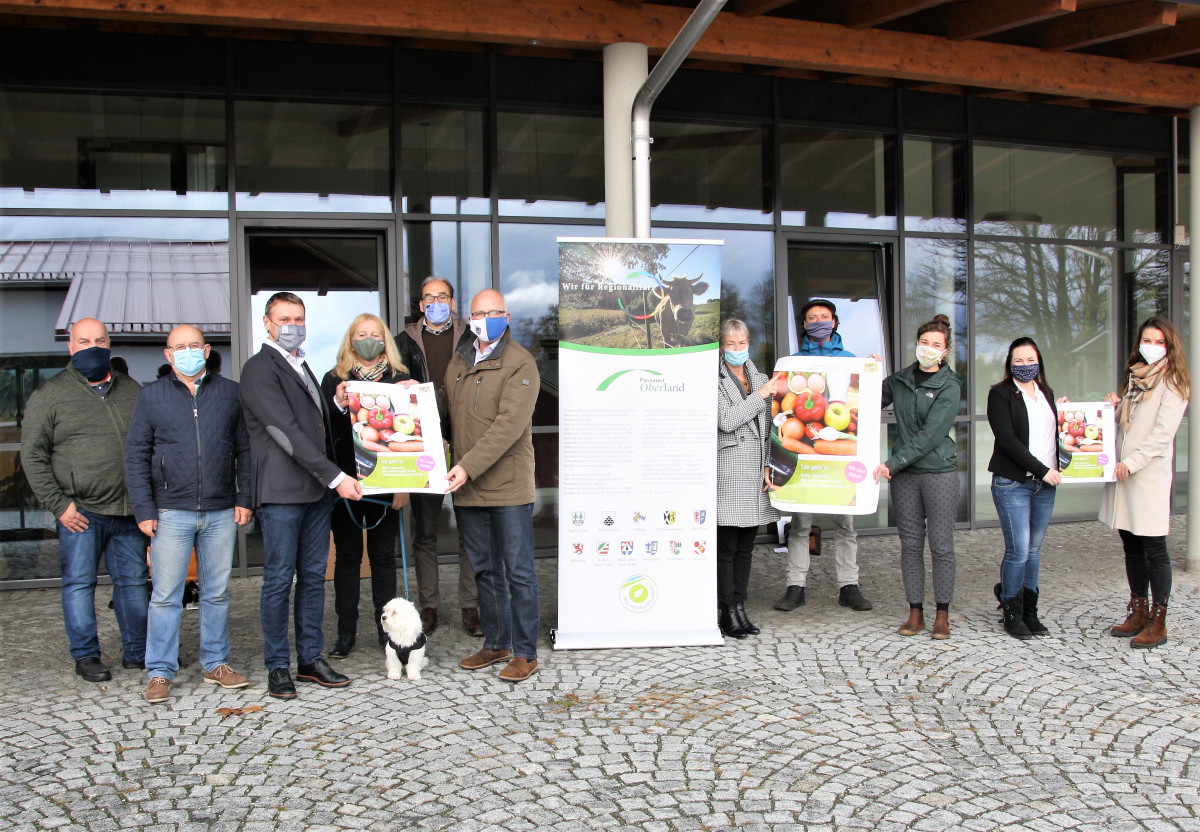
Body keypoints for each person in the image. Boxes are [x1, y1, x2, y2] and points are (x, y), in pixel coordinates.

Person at [240, 291, 363, 699]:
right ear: (267, 323)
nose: (293, 325)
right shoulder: (259, 368)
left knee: (312, 578)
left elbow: (312, 423)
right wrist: (336, 477)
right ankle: (278, 665)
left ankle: (310, 658)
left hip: (313, 494)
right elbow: (284, 431)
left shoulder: (301, 364)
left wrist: (335, 402)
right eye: (285, 318)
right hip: (281, 494)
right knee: (278, 580)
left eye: (299, 318)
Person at [124, 325, 253, 703]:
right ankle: (160, 671)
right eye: (179, 347)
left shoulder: (230, 393)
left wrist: (244, 497)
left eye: (194, 345)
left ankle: (216, 663)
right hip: (169, 512)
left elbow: (244, 451)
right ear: (167, 354)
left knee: (216, 593)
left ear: (207, 349)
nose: (187, 352)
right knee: (165, 596)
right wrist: (145, 509)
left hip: (219, 509)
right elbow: (135, 457)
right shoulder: (151, 397)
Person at [21, 317, 148, 682]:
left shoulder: (131, 390)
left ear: (109, 344)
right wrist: (59, 505)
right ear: (71, 347)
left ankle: (137, 652)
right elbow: (32, 456)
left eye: (100, 340)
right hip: (81, 512)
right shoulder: (50, 395)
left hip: (127, 510)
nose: (93, 346)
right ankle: (87, 655)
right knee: (79, 584)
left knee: (134, 584)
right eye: (84, 340)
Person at [445, 289, 541, 683]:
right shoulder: (459, 360)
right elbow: (445, 410)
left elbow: (507, 428)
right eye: (477, 313)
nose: (484, 318)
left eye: (492, 312)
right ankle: (496, 642)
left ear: (507, 315)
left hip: (507, 486)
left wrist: (465, 467)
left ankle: (526, 653)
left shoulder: (521, 363)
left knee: (518, 571)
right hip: (469, 486)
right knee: (483, 569)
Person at [775, 299, 876, 614]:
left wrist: (874, 371)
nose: (818, 321)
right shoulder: (793, 363)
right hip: (808, 458)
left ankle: (849, 586)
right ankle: (796, 587)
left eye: (824, 317)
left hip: (839, 460)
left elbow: (871, 403)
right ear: (804, 325)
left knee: (846, 525)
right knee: (800, 525)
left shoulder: (850, 360)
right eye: (812, 318)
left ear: (834, 322)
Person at [320, 313, 409, 658]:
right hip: (345, 485)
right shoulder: (333, 380)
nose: (368, 339)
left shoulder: (400, 380)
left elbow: (413, 436)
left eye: (374, 334)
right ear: (350, 340)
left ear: (384, 339)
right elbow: (324, 430)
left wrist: (404, 488)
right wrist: (338, 403)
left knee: (384, 558)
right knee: (347, 559)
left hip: (387, 484)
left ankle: (386, 631)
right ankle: (346, 632)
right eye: (361, 334)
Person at [1098, 315, 1190, 649]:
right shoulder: (1136, 380)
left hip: (1146, 476)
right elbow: (1127, 425)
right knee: (1131, 545)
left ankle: (1158, 620)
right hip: (1123, 476)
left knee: (1155, 548)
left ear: (1169, 347)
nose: (1151, 347)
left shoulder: (1174, 383)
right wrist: (1113, 407)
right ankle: (1138, 609)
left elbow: (1161, 436)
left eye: (1159, 342)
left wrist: (1130, 463)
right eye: (1146, 341)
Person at [397, 276, 480, 637]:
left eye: (442, 297)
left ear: (452, 301)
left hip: (466, 441)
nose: (435, 303)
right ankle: (428, 607)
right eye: (428, 297)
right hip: (423, 446)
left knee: (470, 529)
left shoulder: (471, 338)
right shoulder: (402, 343)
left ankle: (471, 607)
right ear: (420, 305)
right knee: (426, 532)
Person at [873, 314, 961, 640]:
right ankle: (915, 613)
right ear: (917, 344)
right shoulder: (901, 380)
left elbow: (930, 436)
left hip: (939, 474)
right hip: (906, 477)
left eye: (935, 345)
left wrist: (892, 463)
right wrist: (868, 372)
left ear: (946, 350)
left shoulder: (950, 385)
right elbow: (864, 400)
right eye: (924, 342)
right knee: (910, 545)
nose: (928, 348)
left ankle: (942, 615)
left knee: (941, 546)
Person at [986, 337, 1061, 640]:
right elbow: (1008, 440)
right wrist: (1043, 471)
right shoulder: (1001, 395)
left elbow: (1054, 432)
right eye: (1019, 361)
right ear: (1009, 364)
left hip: (1045, 486)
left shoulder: (1046, 393)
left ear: (1039, 360)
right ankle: (1011, 611)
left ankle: (1030, 611)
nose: (1025, 365)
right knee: (1018, 551)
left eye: (1030, 360)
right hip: (1013, 483)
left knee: (1033, 551)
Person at [716, 319, 779, 639]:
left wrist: (771, 464)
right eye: (731, 344)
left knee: (746, 547)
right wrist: (761, 396)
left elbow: (770, 428)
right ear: (721, 345)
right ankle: (726, 610)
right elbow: (726, 421)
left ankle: (740, 606)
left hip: (755, 471)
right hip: (729, 471)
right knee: (726, 547)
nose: (738, 349)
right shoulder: (713, 380)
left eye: (743, 343)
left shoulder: (761, 377)